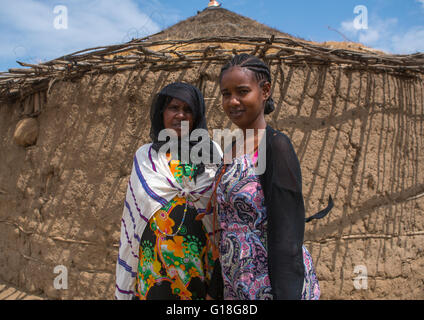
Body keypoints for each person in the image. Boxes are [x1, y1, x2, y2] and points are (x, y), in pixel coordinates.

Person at [212, 54, 333, 300]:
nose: (233, 101)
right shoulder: (230, 150)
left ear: (265, 91)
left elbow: (288, 237)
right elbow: (225, 227)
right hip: (235, 283)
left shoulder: (275, 146)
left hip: (271, 286)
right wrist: (216, 289)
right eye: (226, 93)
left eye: (242, 91)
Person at [115, 82, 223, 300]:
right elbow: (135, 218)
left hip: (201, 274)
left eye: (188, 109)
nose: (180, 115)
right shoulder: (146, 157)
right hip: (153, 273)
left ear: (197, 116)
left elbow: (222, 218)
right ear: (162, 112)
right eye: (174, 107)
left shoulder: (212, 155)